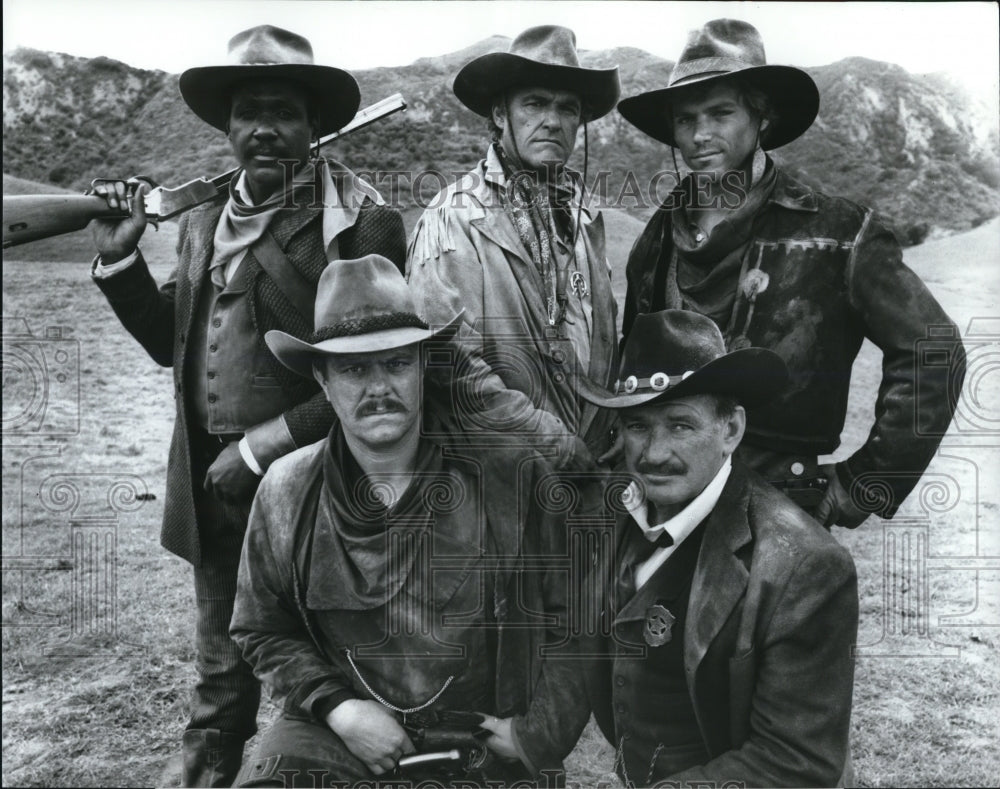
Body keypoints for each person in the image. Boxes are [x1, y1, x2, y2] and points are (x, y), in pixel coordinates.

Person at [88, 25, 406, 787]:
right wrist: (121, 256)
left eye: (284, 111)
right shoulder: (200, 221)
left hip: (318, 488)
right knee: (220, 673)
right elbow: (173, 342)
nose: (263, 127)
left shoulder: (363, 222)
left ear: (314, 126)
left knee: (337, 669)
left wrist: (262, 449)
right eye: (247, 112)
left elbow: (377, 378)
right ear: (227, 127)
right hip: (212, 484)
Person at [230, 255, 589, 787]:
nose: (379, 387)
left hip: (480, 740)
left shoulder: (508, 475)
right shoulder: (286, 490)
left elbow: (579, 618)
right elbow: (261, 628)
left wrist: (537, 735)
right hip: (342, 736)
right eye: (354, 369)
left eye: (396, 364)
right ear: (323, 381)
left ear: (422, 368)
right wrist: (337, 709)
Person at [616, 19, 965, 528]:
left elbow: (934, 349)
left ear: (762, 118)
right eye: (685, 118)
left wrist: (863, 485)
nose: (700, 134)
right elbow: (634, 372)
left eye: (721, 112)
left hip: (780, 506)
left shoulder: (840, 232)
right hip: (666, 500)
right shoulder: (657, 237)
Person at [576, 309, 858, 787]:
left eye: (681, 425)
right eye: (638, 425)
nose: (654, 453)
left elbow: (795, 762)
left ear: (731, 430)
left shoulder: (805, 567)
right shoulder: (610, 516)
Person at [407, 25, 622, 464]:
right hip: (502, 474)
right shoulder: (454, 216)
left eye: (568, 108)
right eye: (535, 103)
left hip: (593, 467)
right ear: (501, 114)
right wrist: (555, 445)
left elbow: (601, 344)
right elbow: (447, 364)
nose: (552, 121)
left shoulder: (582, 217)